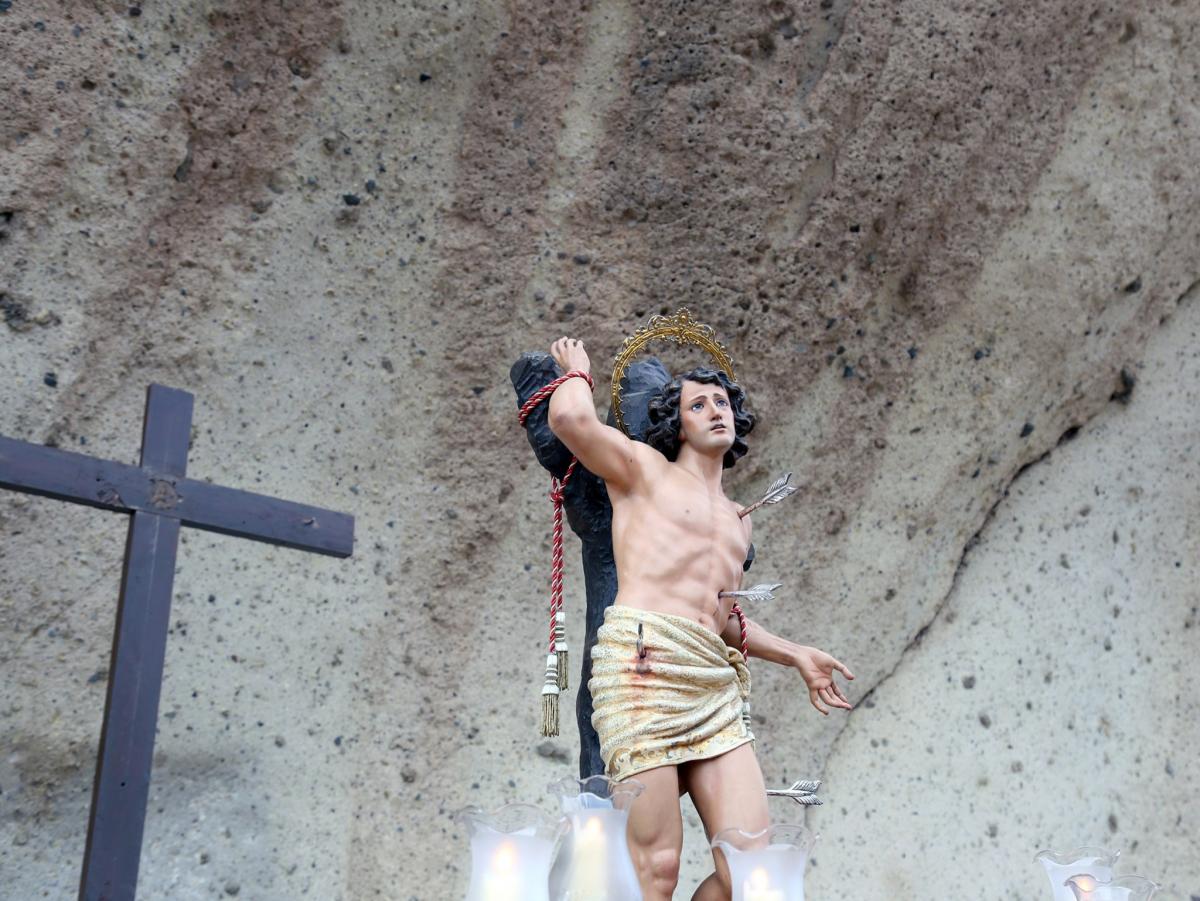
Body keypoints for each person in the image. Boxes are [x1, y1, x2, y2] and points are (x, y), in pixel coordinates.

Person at [546, 335, 855, 901]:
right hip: (642, 673)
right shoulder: (643, 471)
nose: (716, 411)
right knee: (657, 869)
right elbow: (569, 420)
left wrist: (795, 655)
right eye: (698, 404)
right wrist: (577, 370)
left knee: (750, 873)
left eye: (723, 402)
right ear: (678, 424)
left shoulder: (739, 518)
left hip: (711, 684)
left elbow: (721, 616)